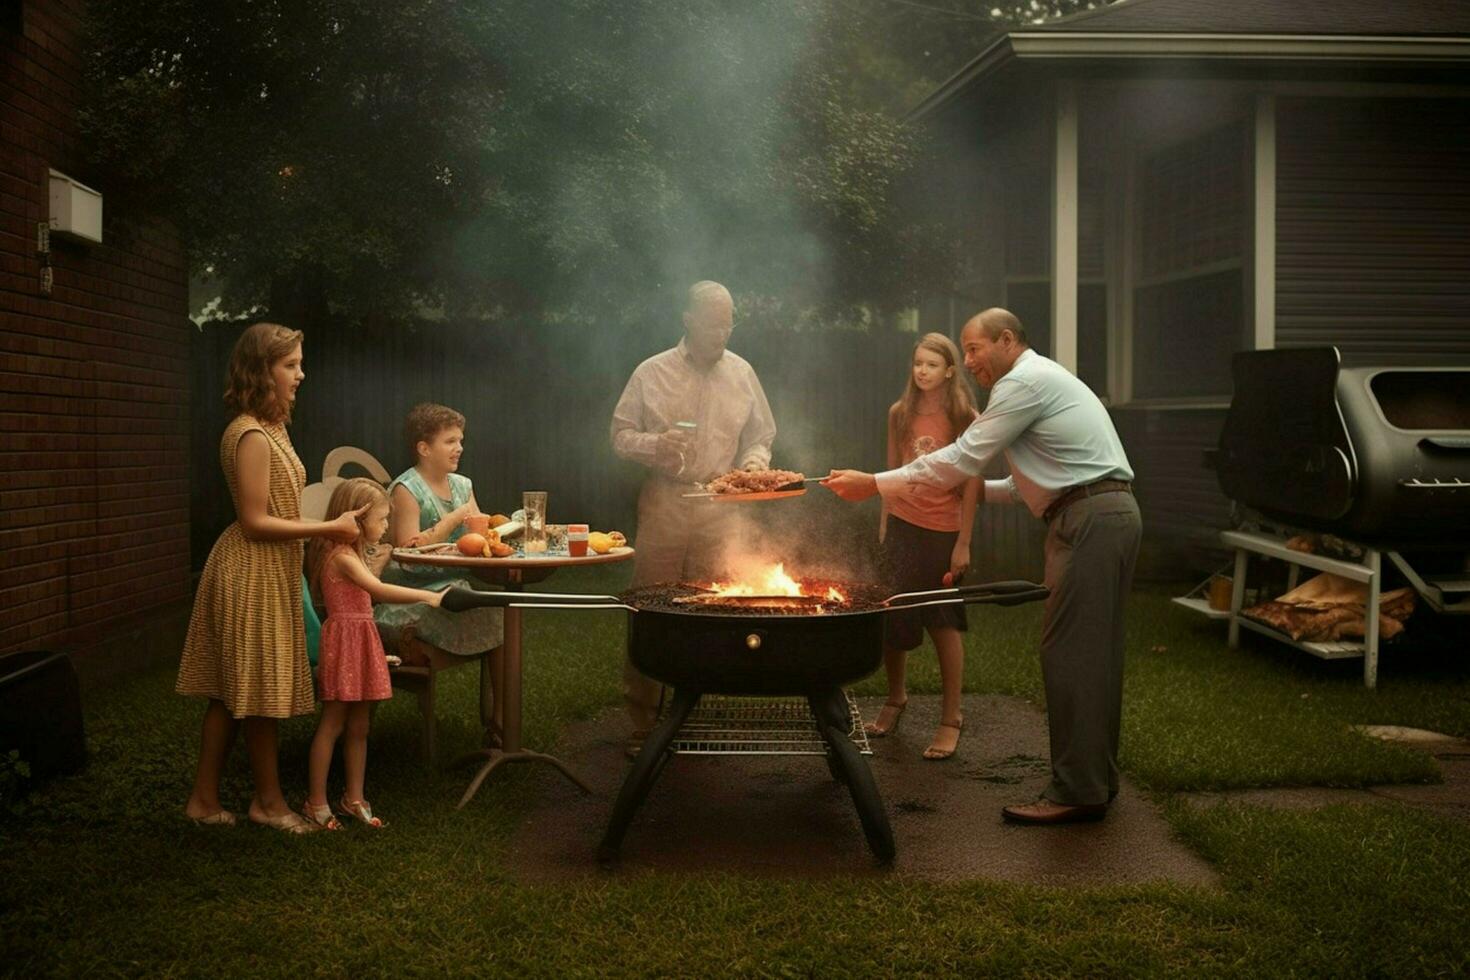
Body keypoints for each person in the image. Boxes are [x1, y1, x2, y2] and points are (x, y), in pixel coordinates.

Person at [824, 308, 1140, 825]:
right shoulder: (1043, 381)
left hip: (1089, 521)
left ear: (1007, 340)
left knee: (1071, 656)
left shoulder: (1023, 384)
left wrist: (875, 482)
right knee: (1093, 657)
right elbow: (1025, 484)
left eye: (974, 349)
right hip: (1100, 512)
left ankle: (1077, 792)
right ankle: (1094, 783)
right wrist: (963, 490)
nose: (968, 361)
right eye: (964, 351)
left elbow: (963, 455)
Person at [177, 322, 366, 833]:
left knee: (229, 689)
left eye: (300, 364)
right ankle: (269, 803)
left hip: (270, 568)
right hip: (249, 568)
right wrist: (329, 525)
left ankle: (203, 800)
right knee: (256, 690)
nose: (300, 374)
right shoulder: (251, 434)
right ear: (261, 371)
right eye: (290, 365)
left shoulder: (274, 426)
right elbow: (255, 521)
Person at [610, 281, 778, 743]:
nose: (722, 331)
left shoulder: (742, 373)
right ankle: (643, 721)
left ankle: (695, 713)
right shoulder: (651, 372)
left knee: (712, 607)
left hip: (722, 504)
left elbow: (761, 434)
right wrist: (656, 444)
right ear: (689, 319)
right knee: (650, 604)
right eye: (713, 322)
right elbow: (620, 436)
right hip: (666, 498)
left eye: (728, 322)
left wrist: (752, 466)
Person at [302, 478, 446, 830]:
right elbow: (377, 589)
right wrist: (428, 597)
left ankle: (354, 798)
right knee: (333, 723)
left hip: (362, 641)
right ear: (357, 519)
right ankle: (315, 802)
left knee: (361, 725)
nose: (385, 527)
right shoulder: (341, 557)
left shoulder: (353, 554)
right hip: (346, 643)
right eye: (381, 520)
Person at [866, 333, 980, 761]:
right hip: (902, 526)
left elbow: (970, 483)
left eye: (932, 364)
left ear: (950, 370)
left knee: (943, 621)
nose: (922, 371)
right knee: (894, 616)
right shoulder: (899, 414)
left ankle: (952, 717)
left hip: (943, 530)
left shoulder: (964, 416)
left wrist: (964, 541)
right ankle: (897, 698)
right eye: (918, 363)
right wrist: (884, 527)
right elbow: (891, 474)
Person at [376, 403, 503, 661]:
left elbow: (477, 536)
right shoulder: (407, 489)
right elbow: (407, 555)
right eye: (450, 441)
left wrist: (499, 533)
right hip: (415, 591)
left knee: (499, 608)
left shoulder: (462, 485)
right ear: (424, 449)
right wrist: (455, 517)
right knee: (485, 608)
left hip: (455, 584)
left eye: (460, 441)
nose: (459, 448)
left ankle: (498, 701)